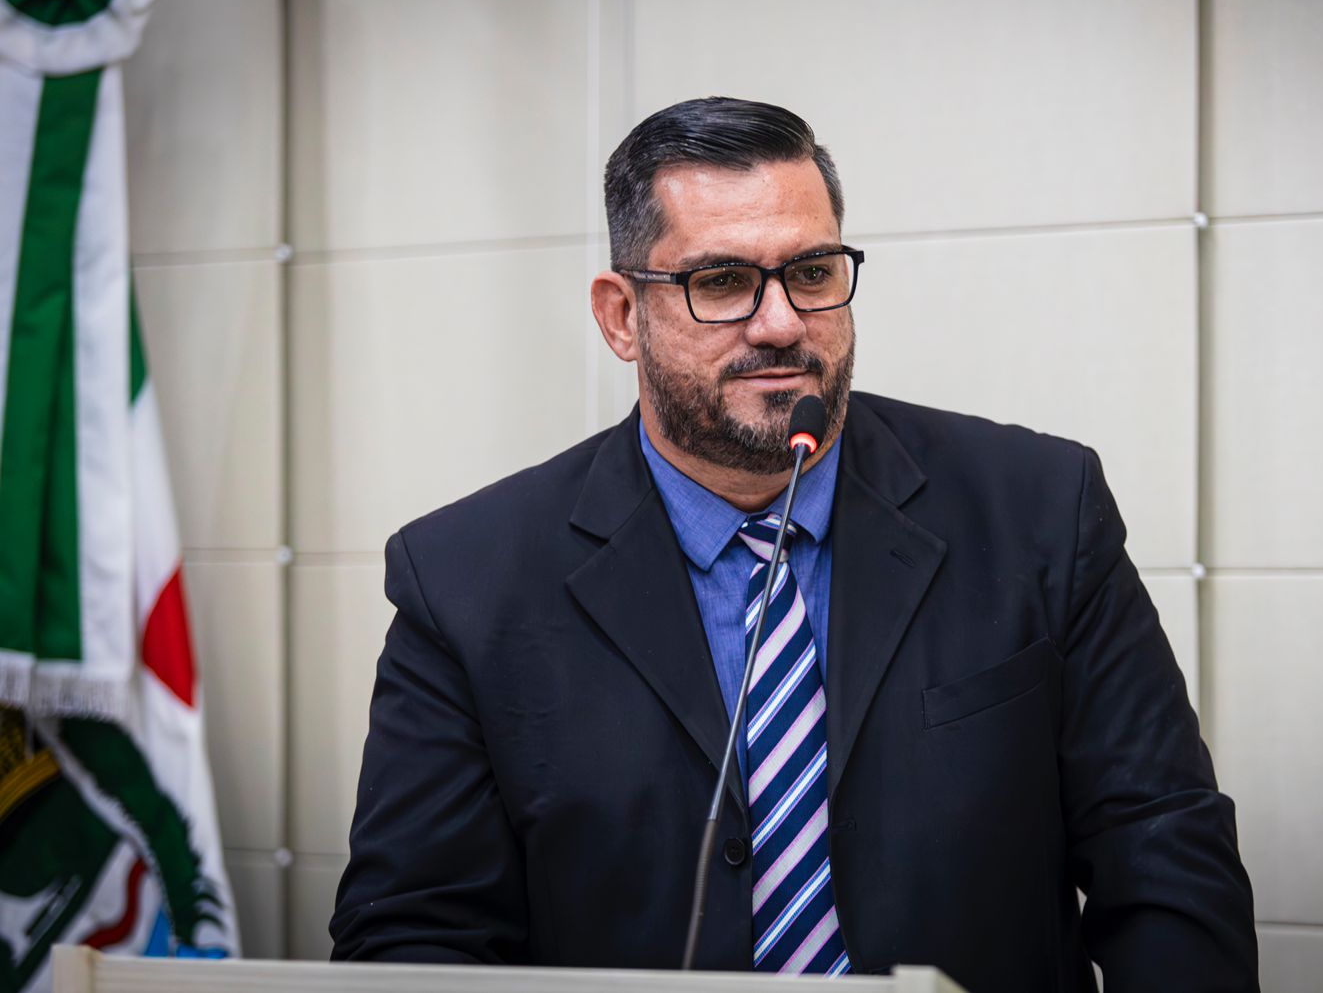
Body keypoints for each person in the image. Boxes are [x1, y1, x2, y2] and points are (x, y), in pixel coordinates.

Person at [330, 97, 1257, 992]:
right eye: (721, 282)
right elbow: (416, 932)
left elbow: (1163, 850)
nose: (780, 323)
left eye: (811, 273)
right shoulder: (464, 580)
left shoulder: (1040, 508)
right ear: (621, 317)